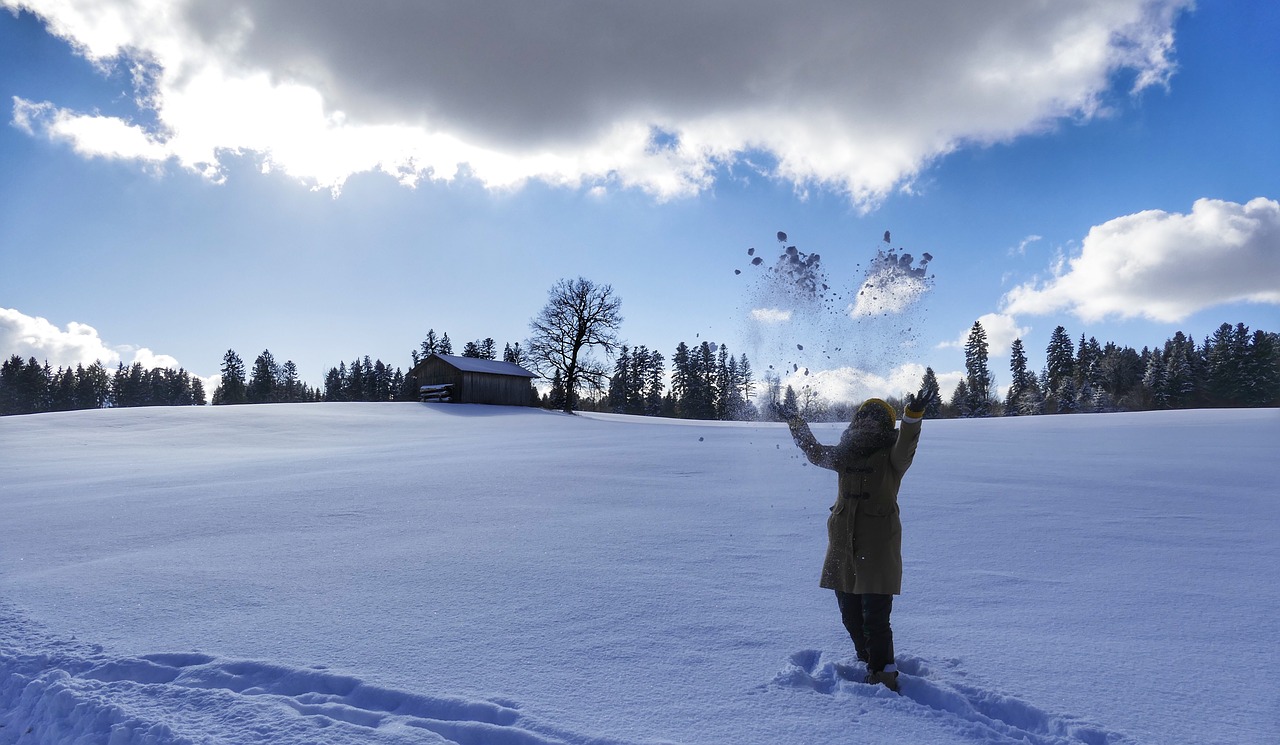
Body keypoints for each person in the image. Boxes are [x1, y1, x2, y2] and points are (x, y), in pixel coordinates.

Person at [779, 379, 935, 693]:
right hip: (842, 548)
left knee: (875, 619)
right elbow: (814, 452)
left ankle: (883, 675)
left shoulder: (892, 457)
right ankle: (867, 657)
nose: (867, 420)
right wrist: (795, 422)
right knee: (850, 616)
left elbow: (907, 445)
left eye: (875, 416)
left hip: (877, 550)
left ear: (885, 424)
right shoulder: (845, 453)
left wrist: (913, 416)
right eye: (864, 415)